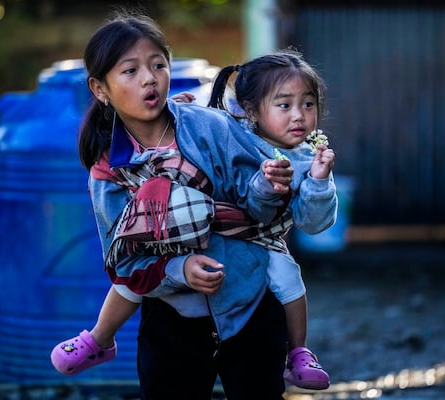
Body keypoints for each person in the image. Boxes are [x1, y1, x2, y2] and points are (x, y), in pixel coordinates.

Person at [51, 41, 337, 390]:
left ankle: (298, 351)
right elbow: (123, 260)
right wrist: (177, 269)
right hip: (172, 312)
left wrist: (268, 186)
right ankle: (99, 338)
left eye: (158, 65)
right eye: (131, 70)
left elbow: (258, 205)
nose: (149, 79)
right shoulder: (110, 170)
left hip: (250, 297)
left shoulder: (208, 127)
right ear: (100, 89)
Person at [208, 49, 336, 390]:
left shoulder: (311, 160)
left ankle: (298, 352)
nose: (299, 116)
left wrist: (319, 182)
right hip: (210, 240)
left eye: (308, 104)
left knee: (289, 276)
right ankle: (101, 336)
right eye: (284, 105)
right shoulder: (234, 137)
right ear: (251, 111)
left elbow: (313, 223)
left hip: (264, 243)